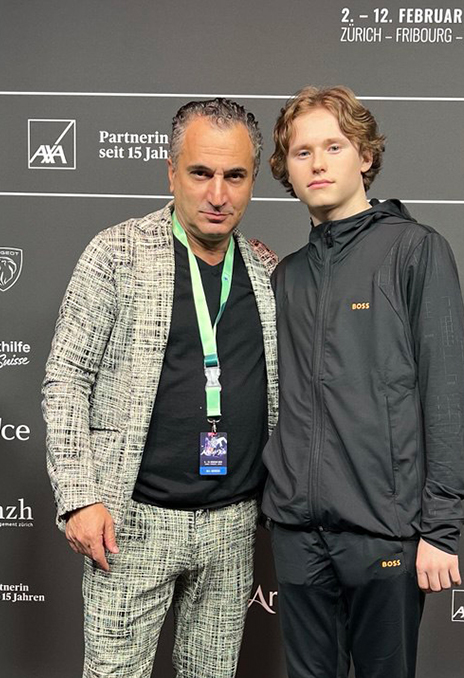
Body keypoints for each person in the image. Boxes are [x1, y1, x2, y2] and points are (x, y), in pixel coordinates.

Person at [42, 98, 278, 678]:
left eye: (234, 176)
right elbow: (66, 377)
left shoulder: (268, 271)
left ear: (253, 180)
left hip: (233, 524)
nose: (217, 194)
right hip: (131, 522)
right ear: (171, 173)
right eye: (200, 173)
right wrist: (79, 496)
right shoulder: (115, 255)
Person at [262, 86, 464, 678]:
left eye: (334, 146)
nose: (318, 163)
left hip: (385, 533)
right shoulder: (287, 275)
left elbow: (447, 396)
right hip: (297, 533)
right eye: (302, 152)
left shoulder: (415, 250)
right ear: (286, 170)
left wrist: (439, 529)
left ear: (366, 156)